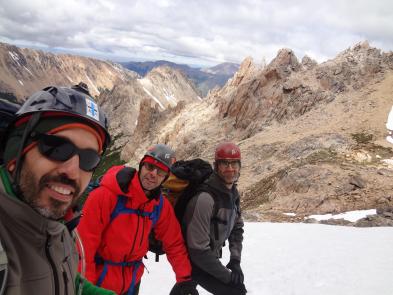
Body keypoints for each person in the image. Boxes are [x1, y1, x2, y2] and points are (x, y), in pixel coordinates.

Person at [0, 83, 115, 294]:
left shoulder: (60, 227)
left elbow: (62, 279)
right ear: (15, 156)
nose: (72, 171)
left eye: (88, 159)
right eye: (56, 147)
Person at [77, 144, 199, 295]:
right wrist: (86, 287)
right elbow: (84, 246)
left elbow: (173, 242)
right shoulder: (105, 196)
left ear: (165, 178)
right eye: (149, 166)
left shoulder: (160, 206)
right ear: (141, 166)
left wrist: (185, 279)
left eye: (160, 171)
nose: (153, 174)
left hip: (132, 282)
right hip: (100, 282)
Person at [183, 142, 246, 295]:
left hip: (208, 258)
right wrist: (227, 276)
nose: (230, 169)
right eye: (224, 163)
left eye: (234, 164)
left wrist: (235, 260)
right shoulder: (205, 199)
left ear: (239, 166)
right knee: (235, 291)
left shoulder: (233, 195)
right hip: (193, 261)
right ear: (216, 166)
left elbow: (237, 228)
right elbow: (198, 250)